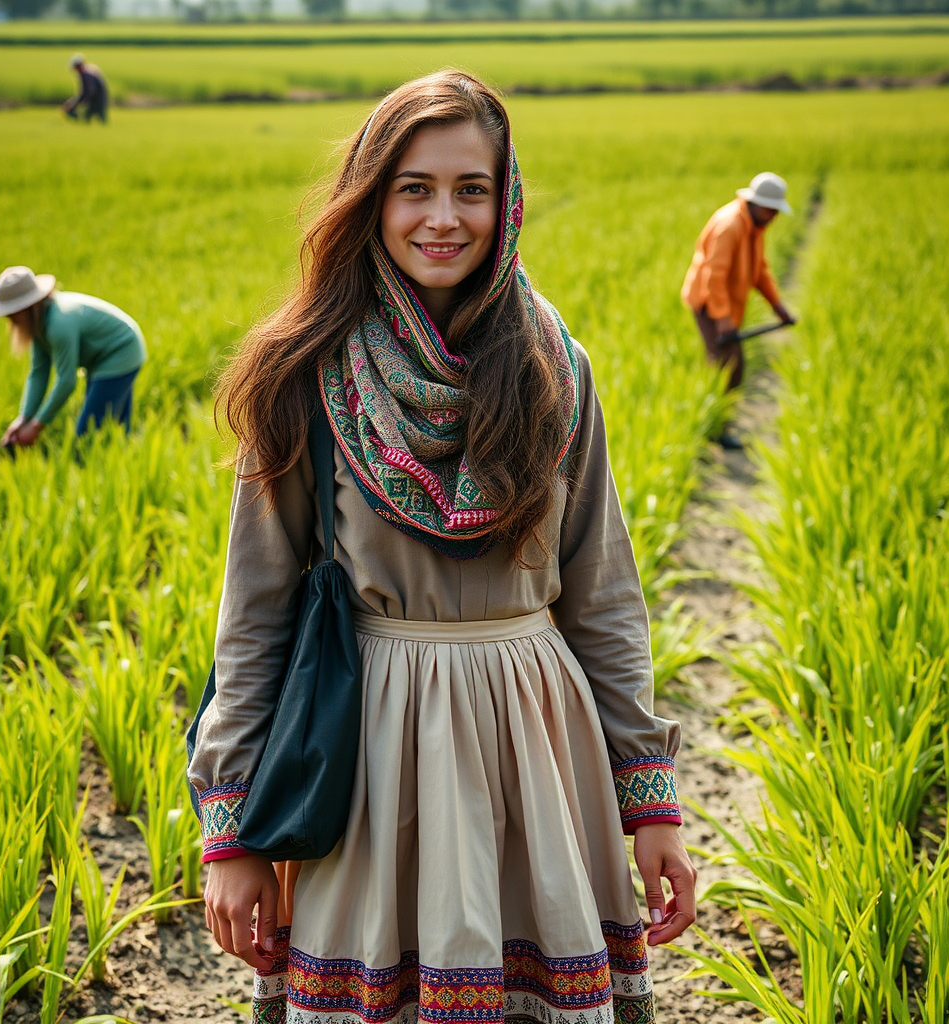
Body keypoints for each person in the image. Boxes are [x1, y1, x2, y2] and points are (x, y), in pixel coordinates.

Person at [191, 72, 696, 1024]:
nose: (443, 218)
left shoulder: (556, 368)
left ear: (504, 201)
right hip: (373, 746)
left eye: (471, 188)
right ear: (370, 197)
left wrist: (652, 806)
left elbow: (601, 594)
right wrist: (234, 837)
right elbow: (254, 615)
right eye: (414, 187)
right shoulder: (305, 373)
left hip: (539, 743)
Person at [682, 172, 796, 448]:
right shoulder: (730, 225)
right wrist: (721, 319)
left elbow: (759, 270)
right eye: (771, 210)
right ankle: (711, 428)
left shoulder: (754, 228)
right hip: (709, 304)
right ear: (756, 203)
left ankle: (716, 422)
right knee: (726, 367)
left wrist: (777, 306)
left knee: (730, 368)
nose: (774, 216)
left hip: (725, 307)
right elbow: (714, 275)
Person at [0, 266, 146, 447]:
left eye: (12, 313)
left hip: (121, 351)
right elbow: (39, 371)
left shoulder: (58, 324)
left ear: (26, 307)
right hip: (102, 358)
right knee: (110, 426)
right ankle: (124, 456)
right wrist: (24, 418)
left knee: (87, 436)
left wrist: (37, 426)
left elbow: (67, 381)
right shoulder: (40, 321)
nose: (10, 319)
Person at [63, 54, 108, 124]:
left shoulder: (86, 75)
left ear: (78, 66)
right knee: (95, 119)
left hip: (96, 99)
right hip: (100, 98)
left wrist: (75, 103)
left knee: (89, 118)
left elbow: (89, 92)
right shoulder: (90, 70)